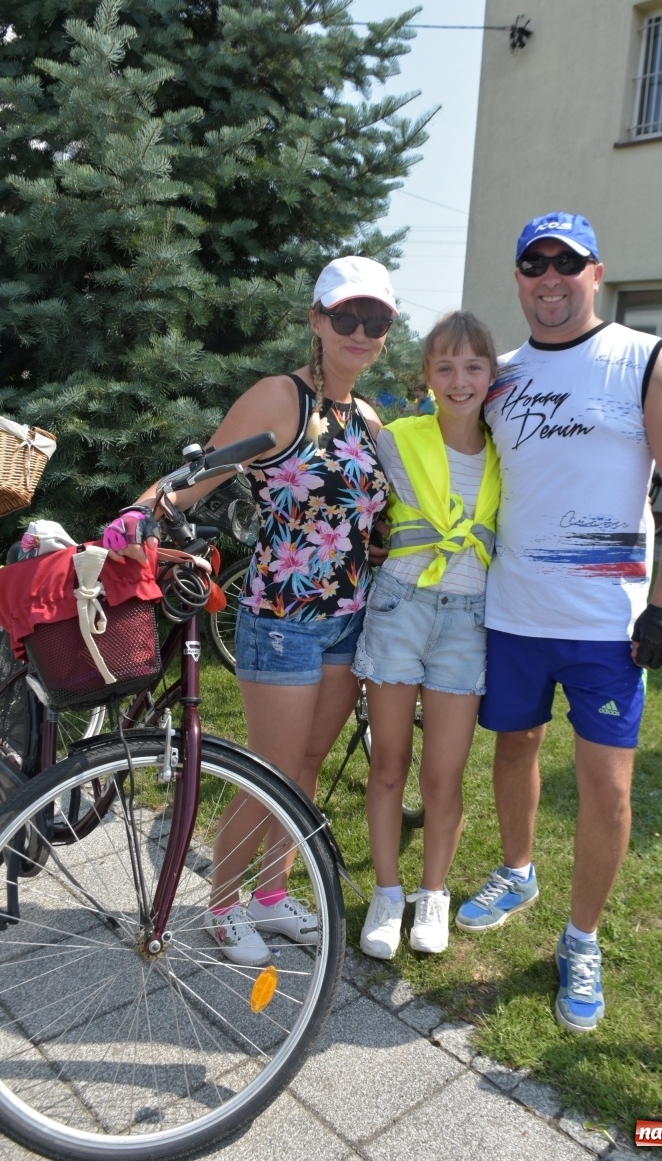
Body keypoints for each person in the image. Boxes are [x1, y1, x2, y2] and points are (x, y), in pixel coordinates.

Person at [454, 212, 662, 1032]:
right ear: (519, 278)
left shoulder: (644, 359)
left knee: (606, 787)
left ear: (596, 272)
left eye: (568, 262)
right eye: (535, 263)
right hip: (514, 612)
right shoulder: (499, 376)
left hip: (608, 623)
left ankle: (581, 938)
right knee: (514, 748)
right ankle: (518, 870)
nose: (550, 277)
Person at [133, 256, 395, 964]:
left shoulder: (367, 417)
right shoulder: (282, 399)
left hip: (347, 619)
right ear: (317, 320)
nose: (361, 331)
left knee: (304, 766)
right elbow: (196, 478)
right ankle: (222, 904)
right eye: (346, 316)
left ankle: (271, 897)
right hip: (282, 621)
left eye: (375, 320)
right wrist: (139, 513)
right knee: (270, 771)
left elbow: (366, 518)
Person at [353, 311, 500, 958]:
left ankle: (432, 894)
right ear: (427, 376)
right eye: (445, 367)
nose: (459, 380)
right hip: (400, 611)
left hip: (467, 622)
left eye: (473, 367)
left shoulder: (506, 450)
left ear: (491, 375)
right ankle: (388, 895)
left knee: (445, 776)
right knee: (389, 764)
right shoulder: (396, 439)